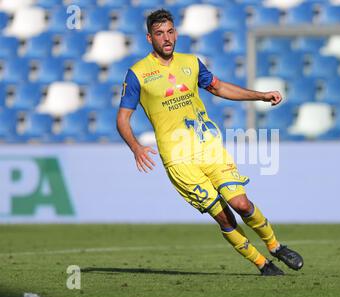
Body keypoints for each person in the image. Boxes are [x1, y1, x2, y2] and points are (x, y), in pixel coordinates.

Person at [116, 9, 303, 276]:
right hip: (179, 160)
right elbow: (122, 118)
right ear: (149, 38)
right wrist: (135, 147)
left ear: (176, 33)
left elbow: (219, 87)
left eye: (170, 32)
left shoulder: (191, 62)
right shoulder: (137, 74)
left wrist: (260, 96)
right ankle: (263, 264)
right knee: (223, 215)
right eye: (159, 34)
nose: (166, 38)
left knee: (241, 204)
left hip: (209, 147)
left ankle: (275, 246)